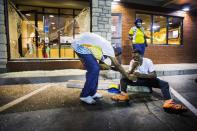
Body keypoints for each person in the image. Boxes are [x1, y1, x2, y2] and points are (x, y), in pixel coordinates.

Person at [112, 49, 187, 112]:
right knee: (123, 79)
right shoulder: (132, 62)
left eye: (136, 56)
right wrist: (132, 68)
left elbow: (154, 75)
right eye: (133, 56)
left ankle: (168, 102)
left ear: (141, 55)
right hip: (138, 80)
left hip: (148, 79)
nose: (134, 58)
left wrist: (141, 75)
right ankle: (124, 95)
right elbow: (129, 74)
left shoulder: (148, 61)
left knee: (164, 84)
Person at [71, 32, 134, 104]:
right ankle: (84, 95)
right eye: (115, 56)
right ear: (115, 52)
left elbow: (106, 65)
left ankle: (92, 93)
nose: (114, 57)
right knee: (94, 68)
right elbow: (117, 65)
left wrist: (112, 68)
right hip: (79, 44)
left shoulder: (104, 49)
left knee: (95, 68)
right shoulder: (110, 49)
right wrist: (127, 76)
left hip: (80, 43)